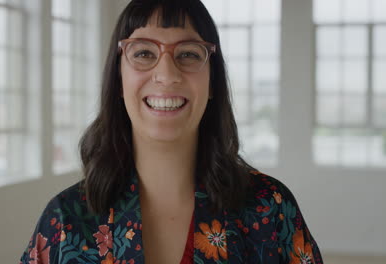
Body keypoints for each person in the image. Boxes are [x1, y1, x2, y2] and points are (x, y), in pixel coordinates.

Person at [19, 0, 324, 263]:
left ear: (212, 81)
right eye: (143, 53)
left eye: (188, 54)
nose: (166, 75)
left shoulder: (270, 207)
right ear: (118, 79)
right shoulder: (65, 221)